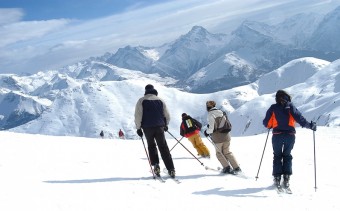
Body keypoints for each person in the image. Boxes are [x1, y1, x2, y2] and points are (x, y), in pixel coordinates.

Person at [263, 90, 317, 188]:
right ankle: (286, 178)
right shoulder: (290, 107)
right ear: (287, 97)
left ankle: (277, 178)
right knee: (287, 155)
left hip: (277, 135)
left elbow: (267, 124)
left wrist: (271, 125)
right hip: (290, 136)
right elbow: (300, 119)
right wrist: (311, 126)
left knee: (277, 156)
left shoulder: (273, 108)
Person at [134, 84, 176, 178]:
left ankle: (156, 165)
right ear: (154, 91)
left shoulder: (141, 100)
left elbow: (138, 115)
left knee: (151, 146)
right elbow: (167, 114)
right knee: (163, 147)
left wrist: (138, 128)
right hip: (159, 127)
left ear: (146, 91)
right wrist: (165, 125)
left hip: (147, 128)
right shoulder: (160, 100)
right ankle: (171, 169)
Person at [204, 101, 241, 174]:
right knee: (227, 152)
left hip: (218, 139)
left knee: (219, 153)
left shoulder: (211, 115)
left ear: (208, 107)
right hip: (227, 136)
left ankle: (227, 168)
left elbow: (211, 129)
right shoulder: (221, 112)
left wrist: (206, 132)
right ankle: (236, 167)